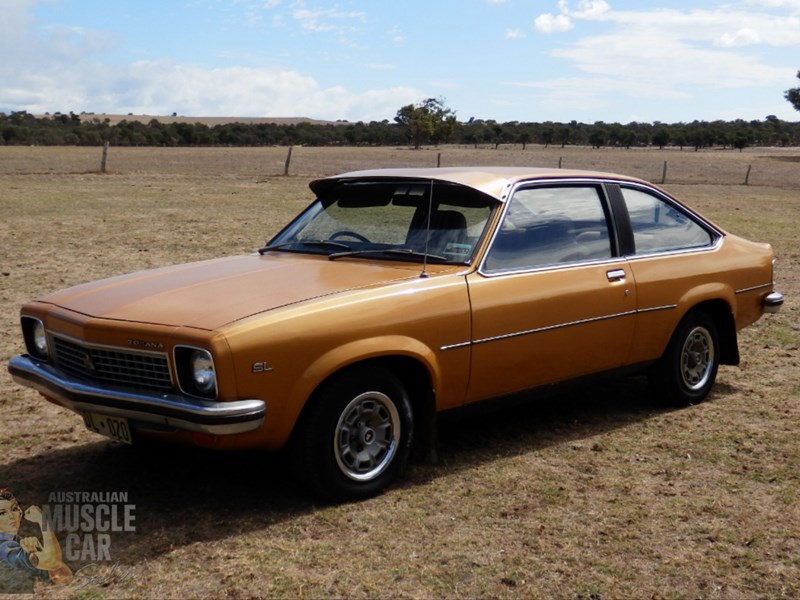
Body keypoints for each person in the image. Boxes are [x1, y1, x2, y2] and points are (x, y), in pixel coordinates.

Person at [0, 489, 72, 592]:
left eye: (14, 509)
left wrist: (37, 552)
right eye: (2, 513)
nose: (12, 516)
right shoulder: (4, 546)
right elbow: (53, 562)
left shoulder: (16, 541)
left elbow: (64, 577)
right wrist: (42, 521)